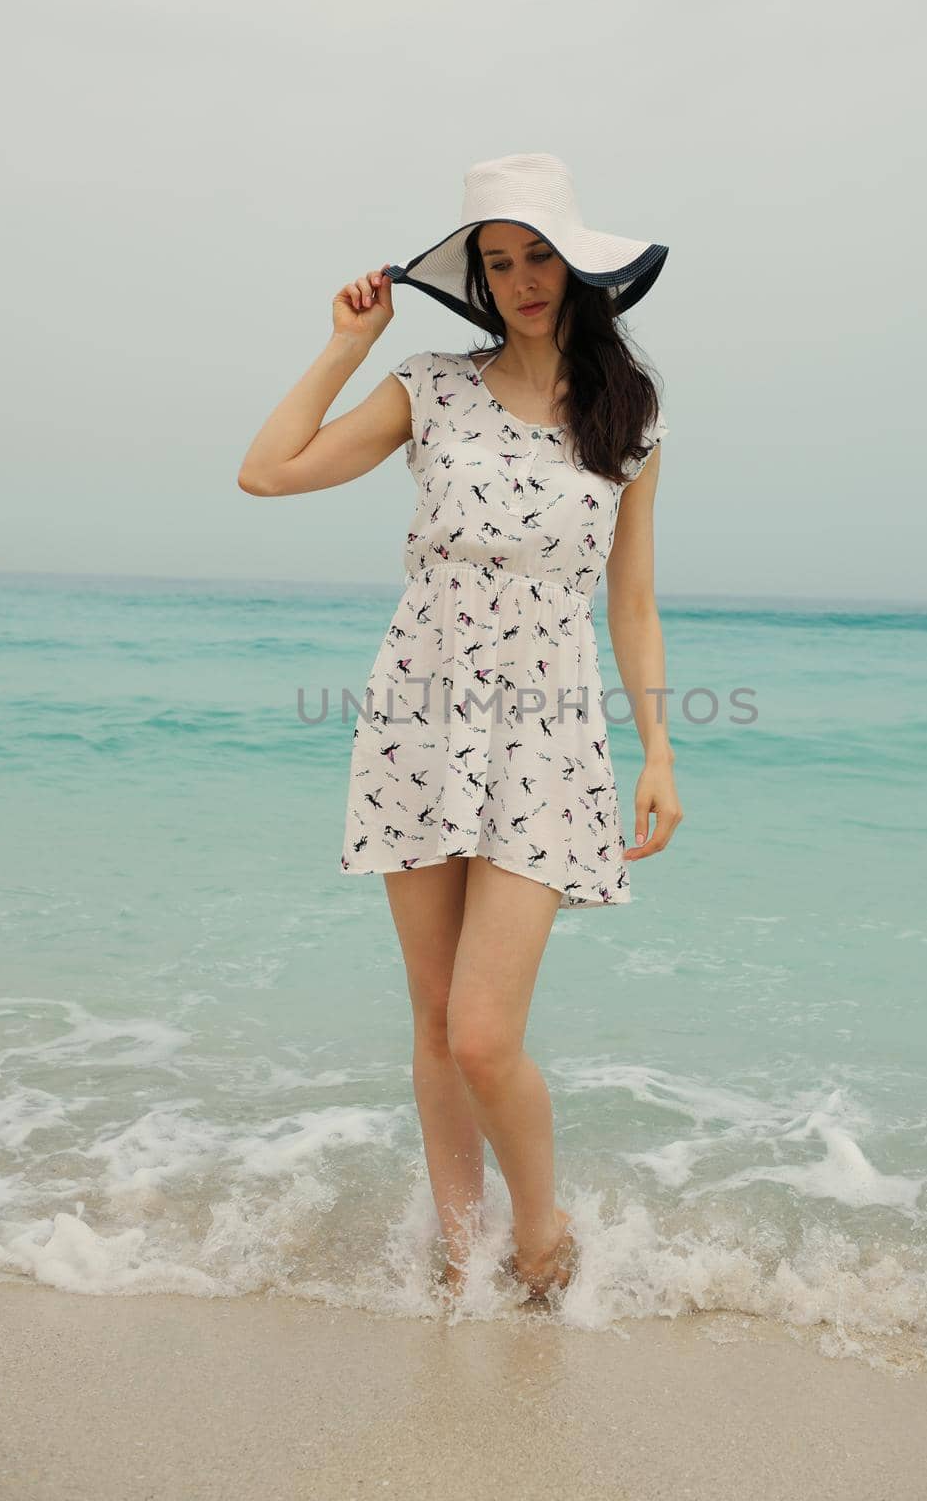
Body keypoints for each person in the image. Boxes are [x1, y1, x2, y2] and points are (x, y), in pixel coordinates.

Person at [238, 153, 683, 1305]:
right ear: (477, 280)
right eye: (497, 261)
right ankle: (458, 1258)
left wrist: (660, 750)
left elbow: (629, 601)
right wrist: (346, 344)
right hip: (416, 719)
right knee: (433, 1021)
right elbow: (266, 473)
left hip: (548, 733)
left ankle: (540, 1241)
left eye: (538, 254)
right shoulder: (429, 387)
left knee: (484, 1033)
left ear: (576, 266)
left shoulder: (628, 417)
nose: (521, 279)